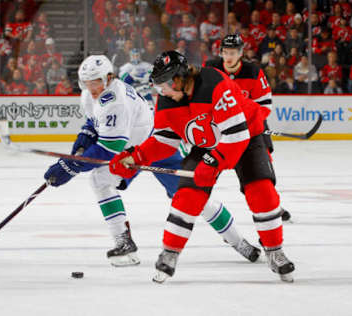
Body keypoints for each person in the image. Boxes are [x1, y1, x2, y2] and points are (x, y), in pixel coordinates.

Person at [43, 55, 260, 267]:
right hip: (132, 150)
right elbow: (93, 124)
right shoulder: (90, 95)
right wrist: (82, 143)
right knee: (99, 179)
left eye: (96, 82)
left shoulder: (116, 101)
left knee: (195, 196)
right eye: (86, 83)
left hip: (157, 146)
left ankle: (239, 242)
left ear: (109, 78)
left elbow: (110, 150)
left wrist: (69, 165)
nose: (92, 88)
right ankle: (124, 242)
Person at [109, 51, 295, 283]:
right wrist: (136, 157)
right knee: (186, 195)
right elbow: (164, 141)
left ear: (178, 78)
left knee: (261, 192)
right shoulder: (168, 100)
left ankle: (274, 251)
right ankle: (169, 252)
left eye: (163, 85)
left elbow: (236, 137)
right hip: (207, 143)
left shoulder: (214, 83)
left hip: (247, 136)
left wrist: (213, 162)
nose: (161, 92)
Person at [205, 34, 291, 221]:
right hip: (219, 129)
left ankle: (272, 204)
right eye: (225, 52)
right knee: (207, 167)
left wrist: (246, 123)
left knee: (260, 170)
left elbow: (265, 104)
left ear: (241, 53)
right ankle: (199, 202)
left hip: (251, 128)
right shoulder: (210, 69)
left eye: (233, 52)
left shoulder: (253, 71)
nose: (228, 57)